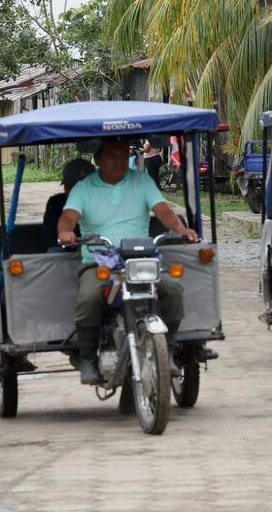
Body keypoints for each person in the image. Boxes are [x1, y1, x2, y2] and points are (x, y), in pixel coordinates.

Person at [57, 137, 198, 384]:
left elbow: (163, 210)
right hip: (99, 261)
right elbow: (68, 216)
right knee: (89, 298)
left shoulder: (142, 181)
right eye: (112, 154)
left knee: (173, 290)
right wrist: (66, 231)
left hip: (140, 259)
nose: (119, 160)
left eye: (123, 154)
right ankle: (88, 359)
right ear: (98, 159)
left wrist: (180, 229)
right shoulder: (84, 188)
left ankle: (170, 351)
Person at [43, 158, 95, 243]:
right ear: (65, 188)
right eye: (72, 188)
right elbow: (50, 238)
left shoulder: (103, 202)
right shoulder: (55, 203)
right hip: (64, 249)